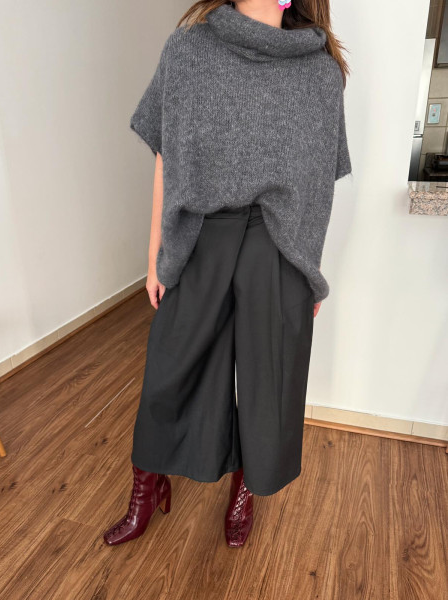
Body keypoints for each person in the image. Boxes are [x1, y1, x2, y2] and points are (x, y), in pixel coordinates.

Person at [103, 0, 352, 548]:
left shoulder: (319, 70)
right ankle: (148, 483)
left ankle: (245, 485)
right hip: (202, 231)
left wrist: (309, 267)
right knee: (169, 367)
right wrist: (154, 255)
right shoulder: (189, 49)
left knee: (268, 379)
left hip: (279, 242)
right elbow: (167, 156)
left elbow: (317, 187)